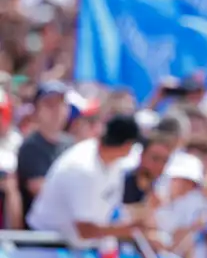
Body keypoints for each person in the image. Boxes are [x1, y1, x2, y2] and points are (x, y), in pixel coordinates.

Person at [27, 114, 144, 243]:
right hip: (45, 242)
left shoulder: (114, 160)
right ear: (127, 145)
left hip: (74, 245)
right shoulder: (82, 168)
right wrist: (127, 231)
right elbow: (85, 231)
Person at [16, 80, 71, 226]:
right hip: (39, 233)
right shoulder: (30, 147)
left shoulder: (71, 145)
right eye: (49, 105)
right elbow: (41, 191)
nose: (57, 110)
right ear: (36, 111)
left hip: (67, 229)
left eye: (61, 104)